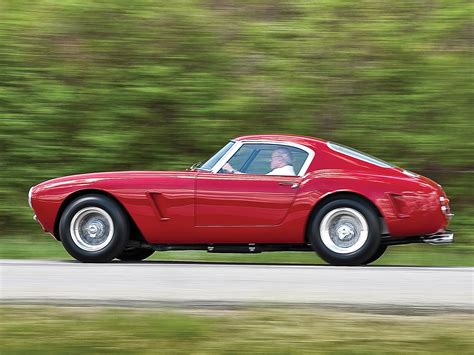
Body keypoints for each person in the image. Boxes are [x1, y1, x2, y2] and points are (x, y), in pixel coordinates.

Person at [223, 147, 296, 176]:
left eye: (272, 158)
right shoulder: (284, 171)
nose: (270, 160)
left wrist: (231, 170)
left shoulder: (282, 173)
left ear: (280, 160)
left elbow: (253, 180)